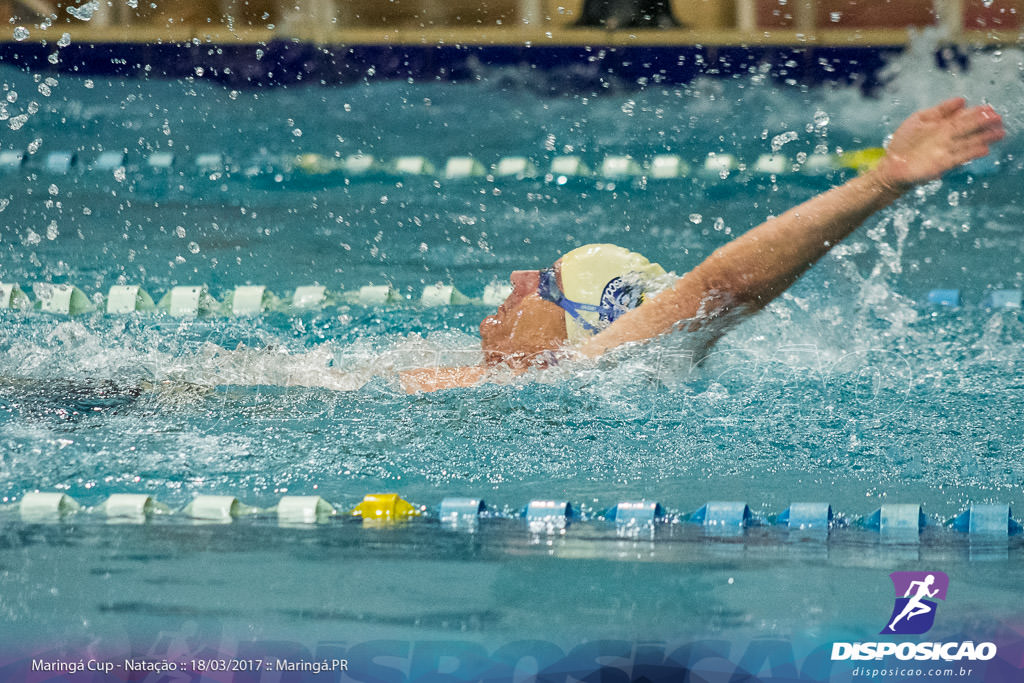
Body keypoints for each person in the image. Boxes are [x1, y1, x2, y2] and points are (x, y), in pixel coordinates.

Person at [400, 98, 1005, 393]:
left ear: (589, 325)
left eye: (547, 285)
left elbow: (724, 286)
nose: (519, 280)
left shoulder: (584, 371)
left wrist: (880, 181)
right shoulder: (482, 378)